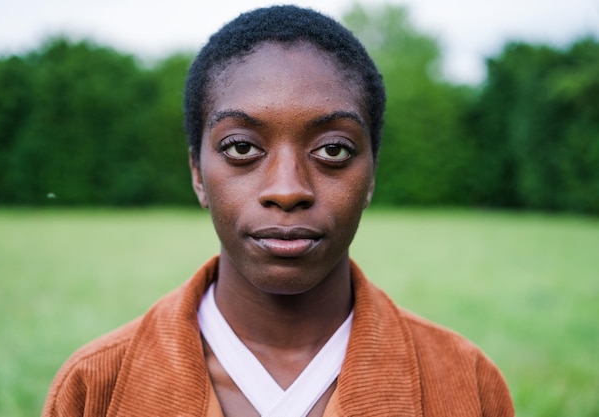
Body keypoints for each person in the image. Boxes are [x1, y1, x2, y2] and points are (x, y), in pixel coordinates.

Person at [42, 5, 514, 417]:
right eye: (241, 146)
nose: (287, 190)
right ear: (197, 174)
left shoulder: (466, 382)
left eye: (333, 151)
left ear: (370, 176)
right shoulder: (94, 388)